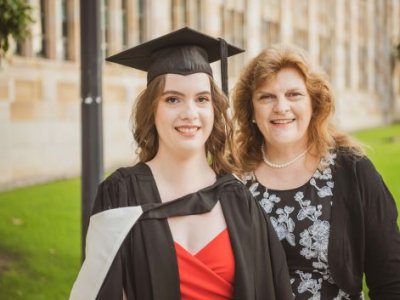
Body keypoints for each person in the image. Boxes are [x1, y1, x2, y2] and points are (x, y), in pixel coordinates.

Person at [70, 28, 293, 300]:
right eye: (173, 99)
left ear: (214, 109)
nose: (190, 113)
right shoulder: (121, 194)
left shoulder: (238, 200)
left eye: (202, 99)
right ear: (152, 109)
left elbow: (270, 289)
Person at [231, 44, 400, 299]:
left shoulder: (351, 169)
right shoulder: (233, 178)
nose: (281, 107)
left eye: (294, 94)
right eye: (266, 97)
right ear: (251, 110)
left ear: (314, 103)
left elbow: (390, 278)